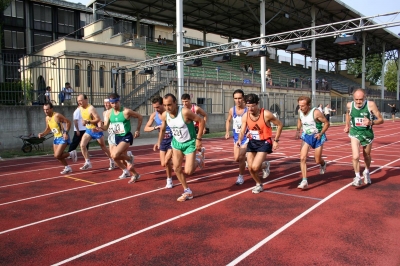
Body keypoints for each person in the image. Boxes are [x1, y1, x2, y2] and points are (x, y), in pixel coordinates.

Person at [156, 93, 206, 202]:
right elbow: (163, 128)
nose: (167, 108)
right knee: (177, 168)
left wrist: (198, 139)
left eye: (169, 105)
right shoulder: (165, 115)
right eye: (165, 105)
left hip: (189, 142)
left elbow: (201, 121)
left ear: (175, 103)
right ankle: (187, 191)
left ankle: (198, 160)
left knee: (188, 171)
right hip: (177, 143)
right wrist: (159, 141)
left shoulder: (184, 112)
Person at [237, 93, 283, 194]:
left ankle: (264, 166)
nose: (250, 108)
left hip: (264, 142)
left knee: (255, 167)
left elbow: (279, 125)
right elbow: (242, 130)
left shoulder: (266, 114)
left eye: (252, 106)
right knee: (250, 167)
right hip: (253, 142)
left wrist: (276, 140)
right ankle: (259, 184)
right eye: (248, 106)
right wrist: (240, 139)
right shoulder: (245, 116)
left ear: (257, 104)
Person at [96, 93, 143, 182]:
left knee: (114, 155)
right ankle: (135, 174)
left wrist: (137, 130)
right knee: (117, 159)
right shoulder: (109, 113)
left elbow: (140, 116)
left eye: (115, 103)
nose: (114, 105)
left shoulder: (126, 111)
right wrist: (99, 128)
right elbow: (106, 127)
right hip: (117, 137)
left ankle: (129, 158)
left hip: (126, 136)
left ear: (119, 101)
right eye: (112, 103)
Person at [344, 88, 384, 186]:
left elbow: (381, 120)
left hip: (367, 133)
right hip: (355, 132)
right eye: (356, 99)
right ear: (353, 98)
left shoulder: (370, 105)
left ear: (364, 98)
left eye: (360, 99)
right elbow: (348, 114)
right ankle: (357, 177)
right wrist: (347, 125)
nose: (358, 102)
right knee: (356, 156)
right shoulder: (349, 105)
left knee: (366, 155)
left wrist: (371, 122)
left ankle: (366, 171)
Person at [295, 96, 330, 189]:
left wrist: (321, 133)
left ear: (309, 105)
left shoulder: (316, 113)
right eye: (299, 106)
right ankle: (304, 180)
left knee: (317, 160)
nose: (301, 108)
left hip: (317, 136)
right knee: (302, 158)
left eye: (303, 106)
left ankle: (323, 164)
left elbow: (327, 123)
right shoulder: (300, 112)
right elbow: (299, 120)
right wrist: (298, 131)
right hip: (306, 136)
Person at [77, 94, 114, 170]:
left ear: (86, 100)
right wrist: (83, 121)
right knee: (82, 145)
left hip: (96, 130)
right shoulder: (80, 108)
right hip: (88, 130)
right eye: (78, 101)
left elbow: (98, 119)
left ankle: (112, 159)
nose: (79, 102)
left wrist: (88, 121)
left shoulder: (91, 108)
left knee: (103, 147)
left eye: (81, 100)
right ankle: (87, 162)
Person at [38, 103, 77, 174]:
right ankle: (67, 167)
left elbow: (68, 122)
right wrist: (42, 133)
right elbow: (48, 128)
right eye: (44, 110)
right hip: (56, 138)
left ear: (51, 109)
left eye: (47, 109)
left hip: (63, 137)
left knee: (57, 155)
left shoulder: (57, 116)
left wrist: (65, 132)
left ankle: (71, 153)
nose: (45, 111)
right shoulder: (47, 118)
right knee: (57, 156)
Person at [144, 96, 174, 188]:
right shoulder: (154, 115)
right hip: (163, 141)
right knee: (163, 164)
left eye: (158, 107)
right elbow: (145, 128)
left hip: (173, 140)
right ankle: (176, 162)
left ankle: (169, 180)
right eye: (154, 107)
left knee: (167, 161)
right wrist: (155, 127)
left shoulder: (169, 113)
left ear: (162, 105)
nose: (156, 109)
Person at [225, 89, 248, 185]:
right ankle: (264, 165)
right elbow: (228, 120)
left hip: (246, 137)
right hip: (236, 137)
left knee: (241, 157)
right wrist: (227, 132)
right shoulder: (232, 110)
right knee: (236, 158)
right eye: (235, 98)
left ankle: (241, 176)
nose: (238, 100)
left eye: (239, 98)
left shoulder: (248, 109)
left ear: (243, 98)